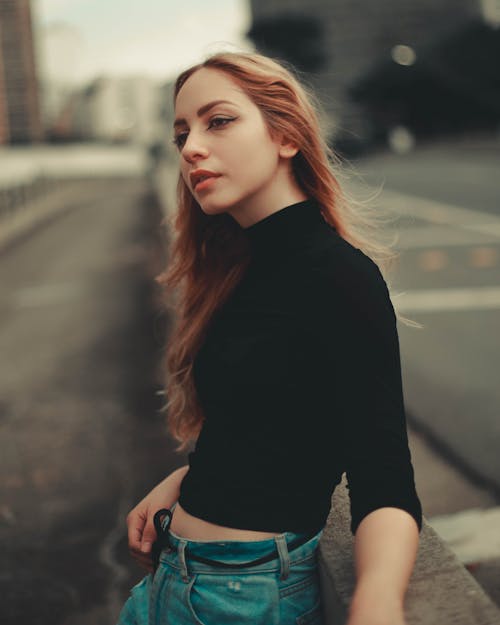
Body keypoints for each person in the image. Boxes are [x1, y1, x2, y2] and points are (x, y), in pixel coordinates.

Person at [116, 50, 423, 625]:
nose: (190, 148)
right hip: (170, 581)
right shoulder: (238, 268)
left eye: (219, 120)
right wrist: (190, 478)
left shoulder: (339, 276)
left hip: (245, 598)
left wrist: (377, 602)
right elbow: (269, 419)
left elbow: (383, 476)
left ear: (285, 136)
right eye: (181, 133)